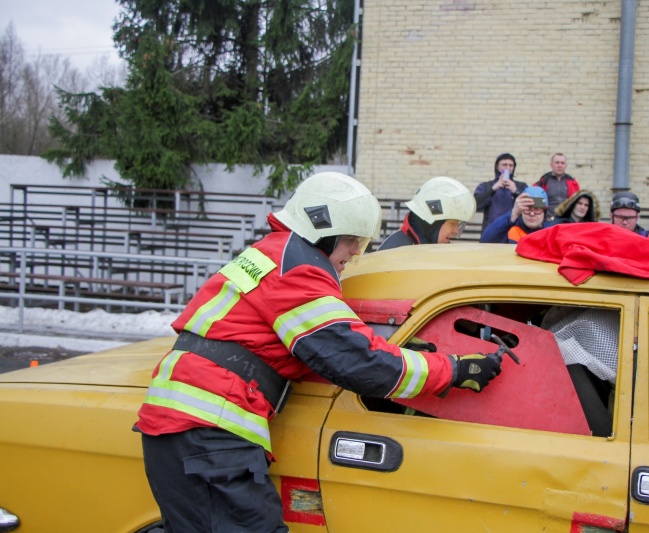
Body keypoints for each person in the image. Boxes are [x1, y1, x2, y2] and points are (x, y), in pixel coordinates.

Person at [134, 172, 502, 532]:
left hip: (188, 429)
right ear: (322, 231)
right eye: (352, 240)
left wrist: (397, 349)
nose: (356, 252)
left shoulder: (272, 255)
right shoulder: (300, 268)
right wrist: (452, 370)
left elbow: (312, 350)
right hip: (207, 433)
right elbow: (356, 361)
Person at [378, 176, 476, 250]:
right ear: (433, 223)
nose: (456, 231)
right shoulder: (397, 250)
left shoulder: (428, 248)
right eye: (452, 223)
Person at [473, 153, 528, 233]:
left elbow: (529, 205)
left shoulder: (521, 186)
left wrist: (516, 191)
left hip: (515, 230)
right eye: (504, 165)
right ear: (497, 166)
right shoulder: (486, 186)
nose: (508, 168)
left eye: (511, 165)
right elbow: (475, 205)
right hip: (491, 230)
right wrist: (493, 189)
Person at [480, 186, 554, 244]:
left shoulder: (551, 232)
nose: (532, 214)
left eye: (537, 209)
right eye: (528, 208)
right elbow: (486, 239)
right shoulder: (511, 229)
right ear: (520, 210)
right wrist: (513, 213)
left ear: (544, 212)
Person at [533, 153, 581, 221]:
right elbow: (534, 201)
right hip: (548, 220)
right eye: (557, 163)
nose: (560, 165)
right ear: (551, 165)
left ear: (566, 166)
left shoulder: (573, 183)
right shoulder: (543, 181)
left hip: (567, 220)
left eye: (562, 163)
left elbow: (577, 202)